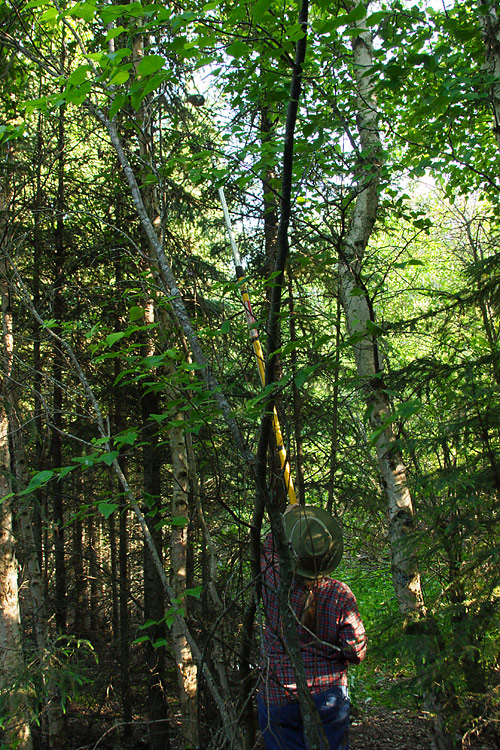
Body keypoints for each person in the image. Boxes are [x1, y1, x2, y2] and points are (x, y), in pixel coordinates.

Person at [258, 504, 366, 750]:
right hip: (327, 697)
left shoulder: (272, 581)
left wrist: (285, 518)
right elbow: (356, 652)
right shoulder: (340, 595)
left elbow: (267, 551)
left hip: (278, 692)